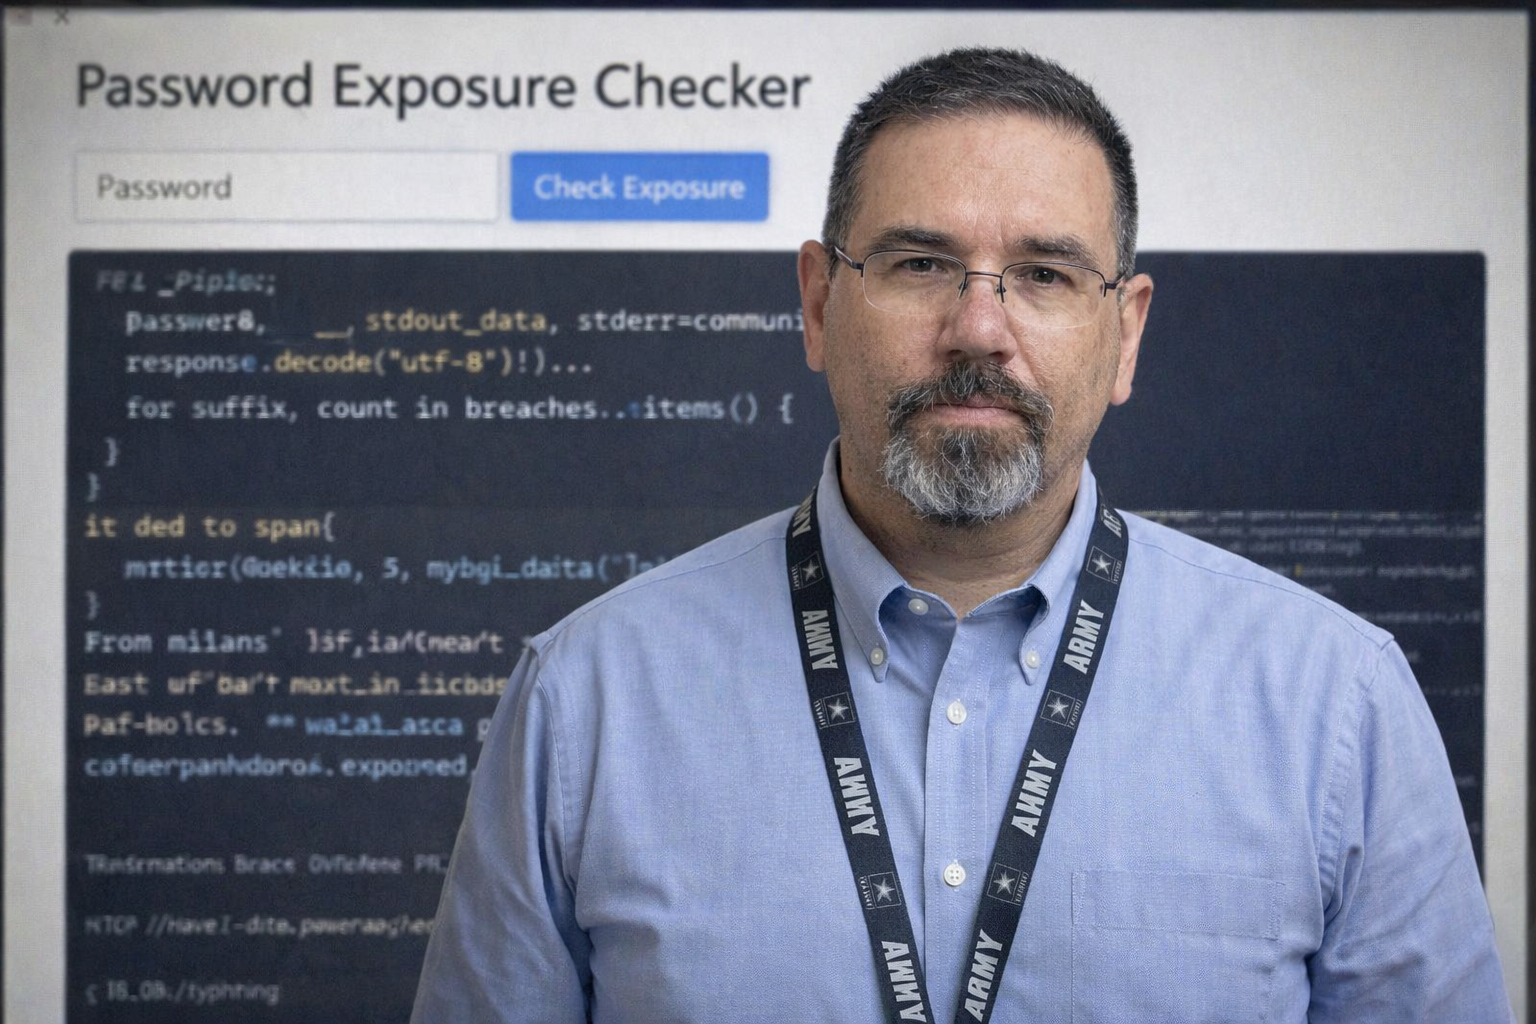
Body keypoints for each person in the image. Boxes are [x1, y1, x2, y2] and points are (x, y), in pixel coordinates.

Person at [412, 47, 1512, 1023]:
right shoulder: (584, 696)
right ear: (815, 304)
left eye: (1043, 272)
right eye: (920, 264)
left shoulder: (1339, 703)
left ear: (1124, 334)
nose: (978, 328)